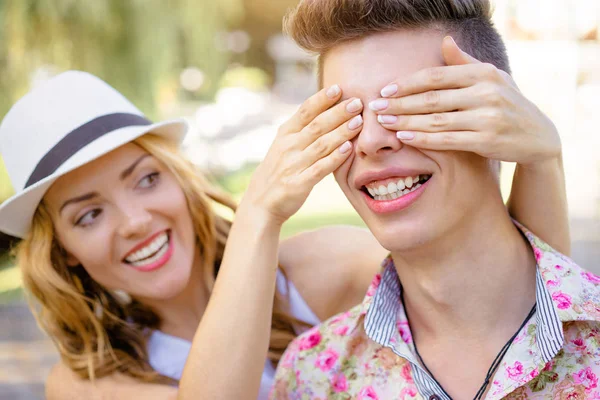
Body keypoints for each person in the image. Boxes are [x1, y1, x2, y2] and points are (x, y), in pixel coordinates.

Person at [0, 56, 566, 400]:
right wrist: (259, 212)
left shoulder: (313, 271)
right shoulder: (85, 384)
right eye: (89, 214)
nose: (136, 220)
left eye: (146, 179)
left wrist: (541, 159)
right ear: (66, 251)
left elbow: (514, 296)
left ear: (181, 180)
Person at [271, 0, 599, 399]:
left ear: (502, 116)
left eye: (409, 106)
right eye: (347, 118)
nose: (371, 141)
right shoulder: (311, 377)